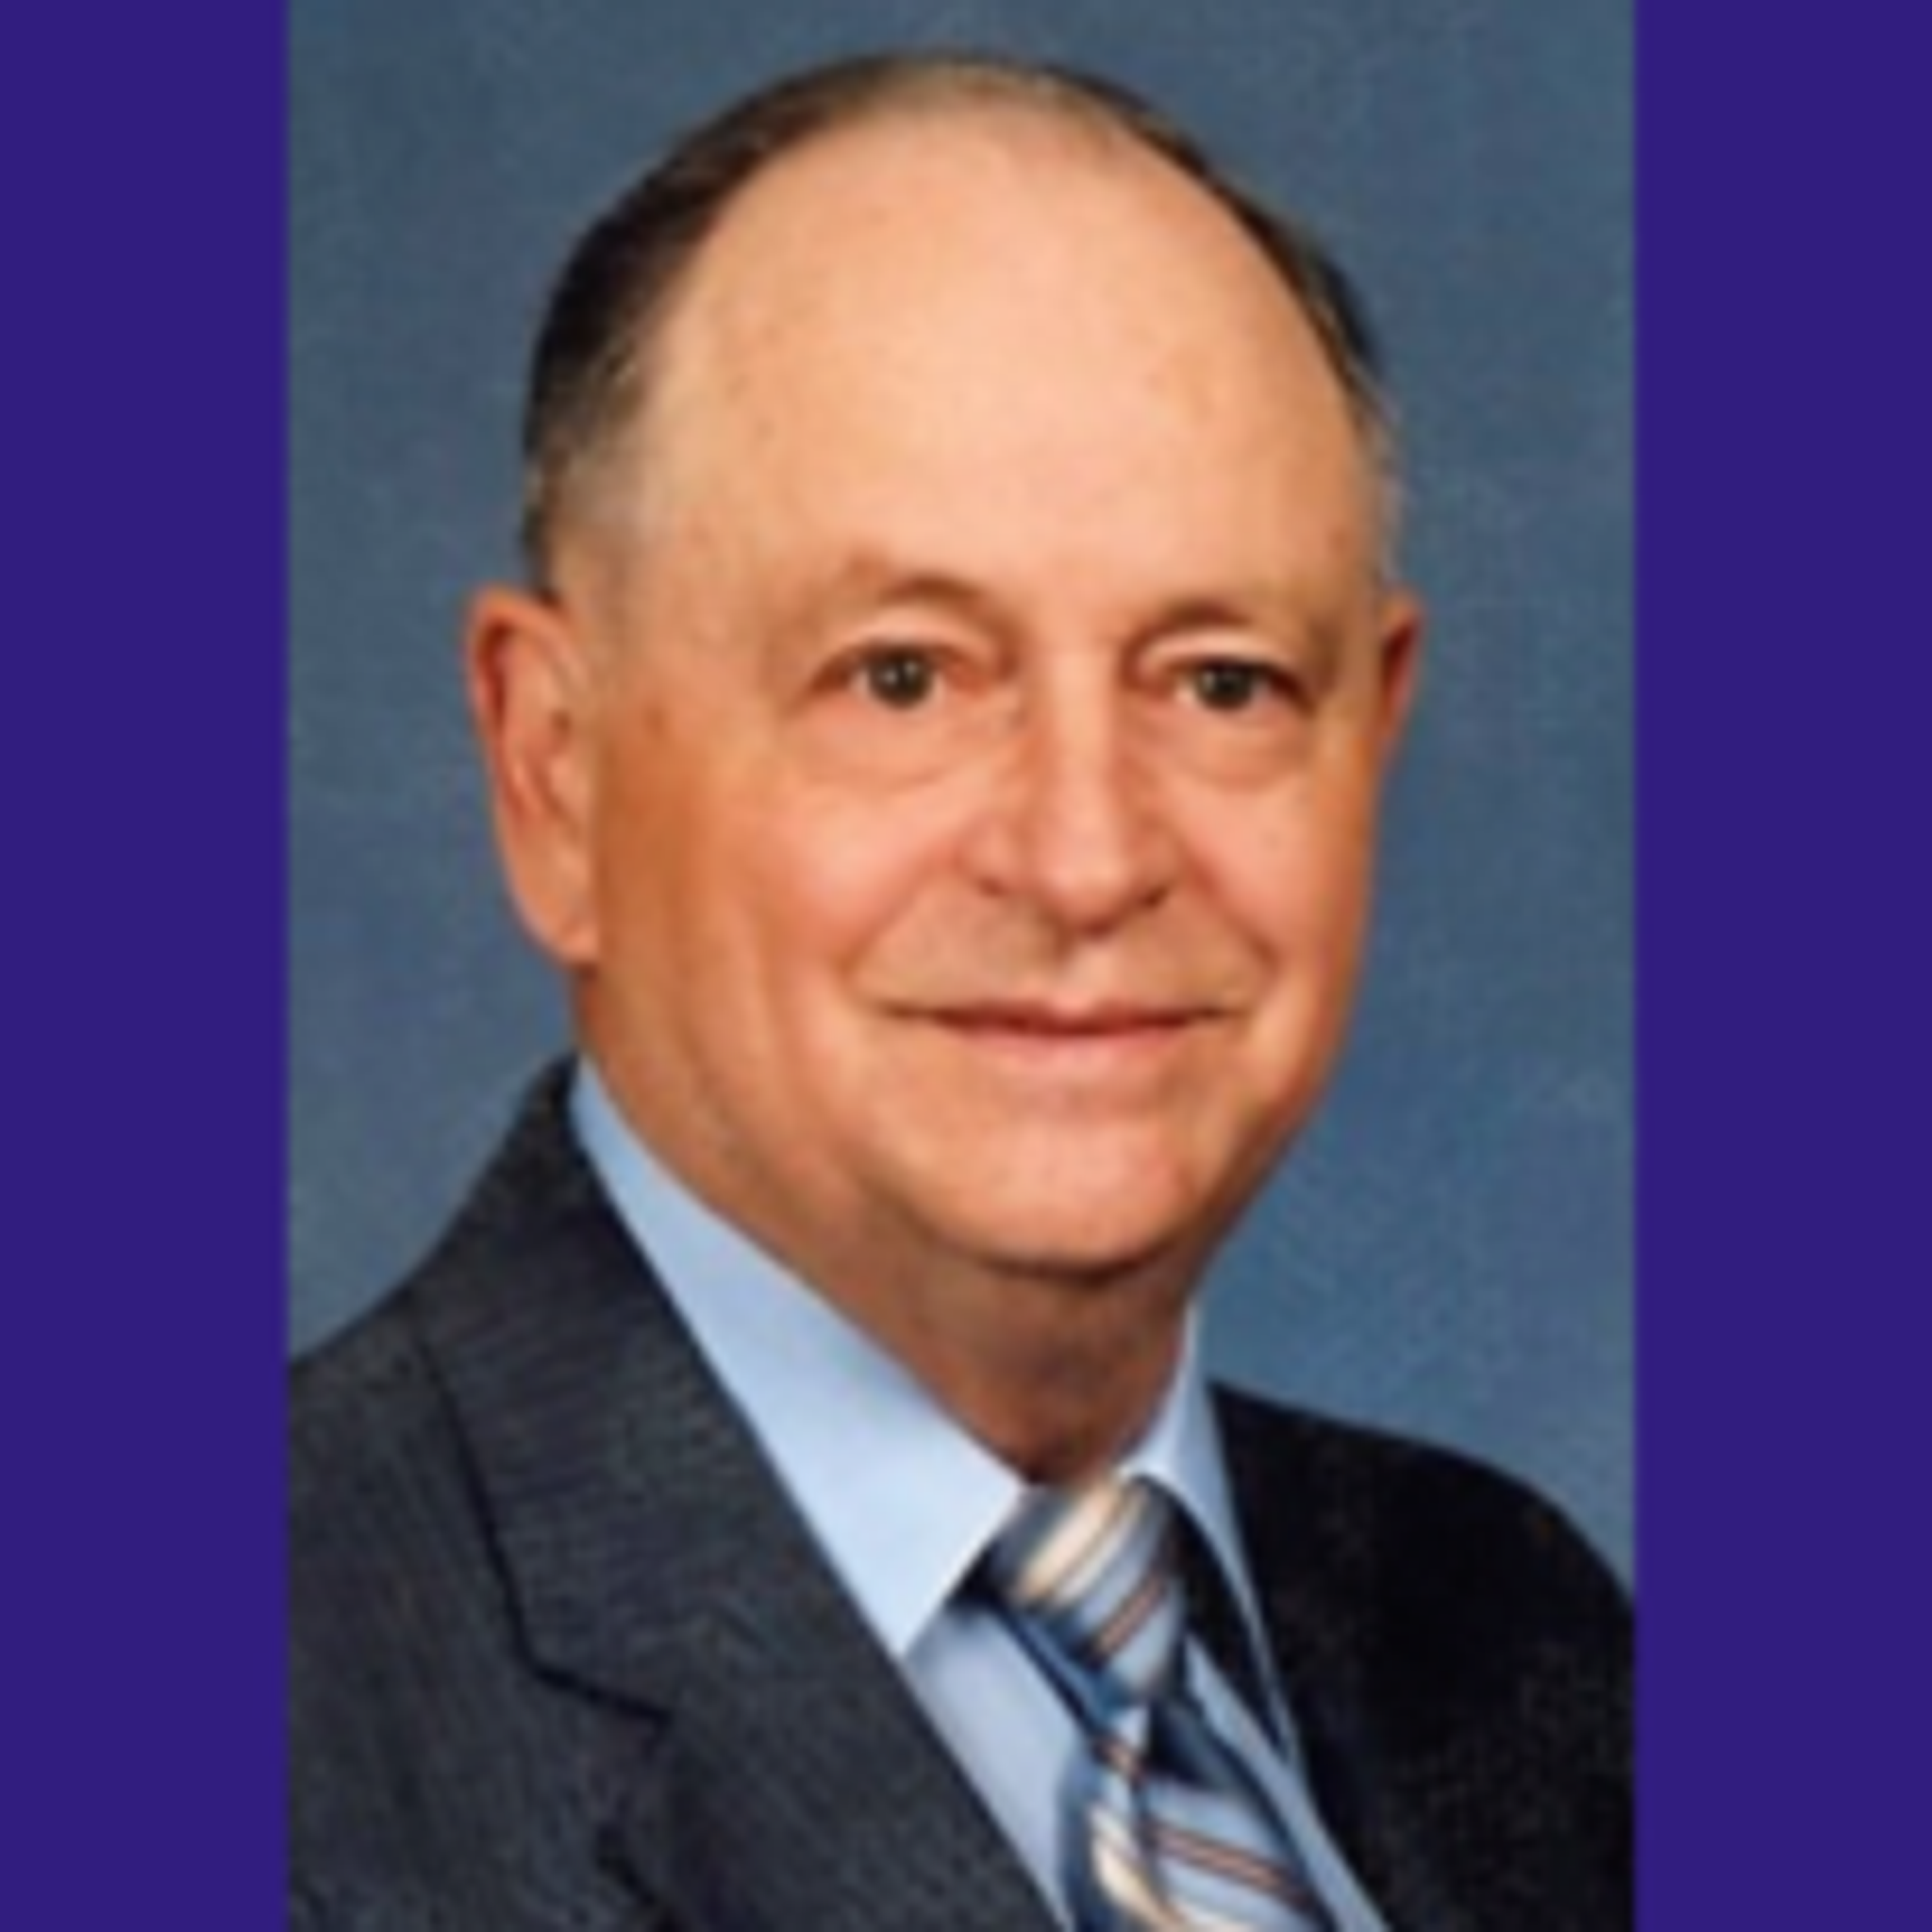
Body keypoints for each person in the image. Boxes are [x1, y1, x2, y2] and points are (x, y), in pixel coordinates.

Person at [290, 50, 1630, 1932]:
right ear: (555, 775)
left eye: (1222, 681)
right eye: (902, 677)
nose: (1086, 858)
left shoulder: (1522, 1641)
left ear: (1373, 735)